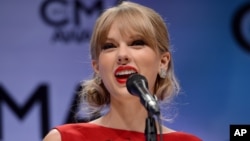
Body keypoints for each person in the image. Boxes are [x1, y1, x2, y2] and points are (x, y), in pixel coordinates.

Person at [43, 1, 201, 141]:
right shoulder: (64, 139)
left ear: (163, 62)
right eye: (109, 46)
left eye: (136, 43)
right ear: (97, 67)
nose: (122, 55)